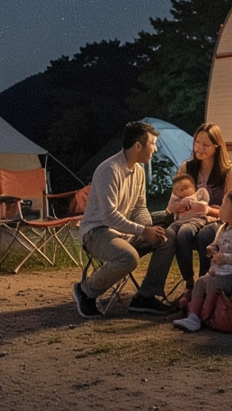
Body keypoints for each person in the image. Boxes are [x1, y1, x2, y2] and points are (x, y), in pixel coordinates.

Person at [72, 121, 176, 318]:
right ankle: (85, 291)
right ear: (139, 145)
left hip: (123, 231)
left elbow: (139, 207)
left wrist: (149, 228)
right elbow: (109, 216)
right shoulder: (109, 170)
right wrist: (143, 231)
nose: (155, 149)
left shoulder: (138, 171)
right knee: (129, 257)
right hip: (97, 232)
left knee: (167, 237)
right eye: (153, 144)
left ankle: (145, 297)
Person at [170, 123, 232, 297]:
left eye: (205, 144)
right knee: (182, 235)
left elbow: (231, 211)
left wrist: (208, 210)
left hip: (216, 219)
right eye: (197, 143)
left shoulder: (229, 170)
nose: (199, 148)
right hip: (190, 218)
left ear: (217, 146)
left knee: (205, 236)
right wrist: (179, 207)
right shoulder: (187, 168)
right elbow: (174, 200)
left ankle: (205, 283)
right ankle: (189, 284)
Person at [172, 190, 232, 332]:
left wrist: (225, 258)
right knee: (200, 282)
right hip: (219, 272)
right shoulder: (223, 228)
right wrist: (211, 249)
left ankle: (207, 316)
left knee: (213, 283)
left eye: (223, 205)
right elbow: (215, 244)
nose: (219, 208)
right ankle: (193, 317)